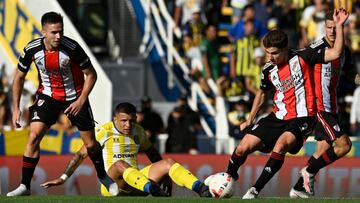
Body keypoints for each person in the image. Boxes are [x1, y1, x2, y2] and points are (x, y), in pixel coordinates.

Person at [224, 8, 349, 199]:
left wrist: (339, 26)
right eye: (267, 53)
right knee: (242, 147)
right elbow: (261, 93)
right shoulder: (268, 69)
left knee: (281, 145)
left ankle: (254, 191)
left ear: (284, 50)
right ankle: (228, 177)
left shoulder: (303, 57)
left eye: (273, 53)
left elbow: (336, 52)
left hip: (302, 118)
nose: (269, 58)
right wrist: (250, 119)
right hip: (277, 116)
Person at [7, 12, 118, 196]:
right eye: (54, 32)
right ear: (43, 31)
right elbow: (19, 77)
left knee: (90, 145)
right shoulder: (32, 49)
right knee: (33, 136)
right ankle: (25, 186)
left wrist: (81, 101)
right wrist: (15, 108)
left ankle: (102, 176)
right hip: (48, 96)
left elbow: (91, 75)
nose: (58, 36)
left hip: (74, 96)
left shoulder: (72, 48)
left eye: (61, 31)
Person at [41, 102, 211, 197]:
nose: (128, 125)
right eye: (123, 121)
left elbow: (152, 153)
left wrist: (165, 175)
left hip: (137, 182)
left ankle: (201, 189)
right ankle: (153, 190)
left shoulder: (139, 131)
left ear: (136, 118)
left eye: (131, 120)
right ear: (115, 119)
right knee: (120, 163)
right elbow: (80, 155)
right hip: (113, 185)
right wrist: (63, 177)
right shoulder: (103, 131)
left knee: (169, 162)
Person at [289, 9, 355, 198]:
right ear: (324, 28)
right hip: (319, 108)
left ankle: (299, 187)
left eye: (336, 28)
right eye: (329, 28)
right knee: (344, 146)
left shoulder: (344, 51)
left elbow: (351, 73)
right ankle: (309, 172)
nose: (333, 31)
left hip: (332, 107)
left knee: (323, 149)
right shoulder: (316, 49)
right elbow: (296, 62)